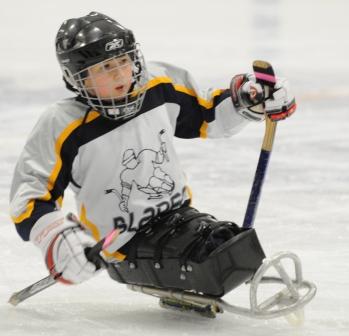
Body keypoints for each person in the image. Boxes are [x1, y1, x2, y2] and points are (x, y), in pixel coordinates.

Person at [9, 12, 296, 287]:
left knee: (231, 245)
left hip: (180, 218)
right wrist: (56, 238)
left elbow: (204, 113)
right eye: (104, 68)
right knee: (220, 261)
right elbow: (31, 194)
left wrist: (249, 99)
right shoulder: (62, 124)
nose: (121, 74)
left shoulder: (157, 87)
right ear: (76, 78)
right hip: (122, 243)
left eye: (124, 60)